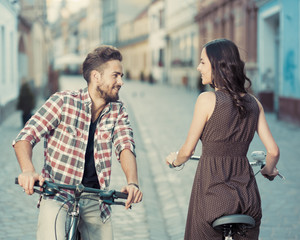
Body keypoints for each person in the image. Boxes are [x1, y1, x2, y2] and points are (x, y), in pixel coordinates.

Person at [13, 45, 143, 240]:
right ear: (96, 76)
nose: (121, 82)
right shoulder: (63, 102)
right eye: (115, 75)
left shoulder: (118, 110)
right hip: (58, 193)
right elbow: (25, 137)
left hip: (95, 197)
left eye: (121, 76)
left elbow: (125, 145)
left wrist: (132, 182)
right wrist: (28, 170)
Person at [166, 39, 280, 240]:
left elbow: (187, 151)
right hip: (248, 200)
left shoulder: (207, 100)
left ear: (217, 65)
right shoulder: (254, 103)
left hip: (212, 197)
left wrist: (175, 161)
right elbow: (273, 152)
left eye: (202, 62)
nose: (198, 67)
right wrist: (268, 170)